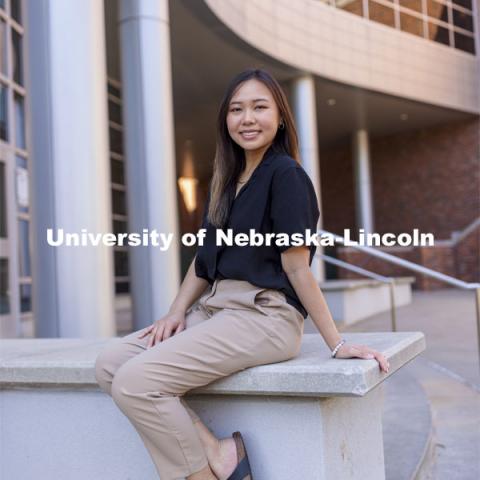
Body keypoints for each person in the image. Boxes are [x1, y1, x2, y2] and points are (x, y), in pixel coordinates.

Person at [95, 68, 390, 480]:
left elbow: (297, 267)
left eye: (258, 107)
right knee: (111, 363)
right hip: (216, 311)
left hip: (264, 316)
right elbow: (203, 261)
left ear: (281, 117)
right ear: (226, 120)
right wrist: (175, 312)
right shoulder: (227, 182)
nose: (246, 118)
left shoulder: (287, 176)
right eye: (236, 109)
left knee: (136, 382)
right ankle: (217, 450)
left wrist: (336, 343)